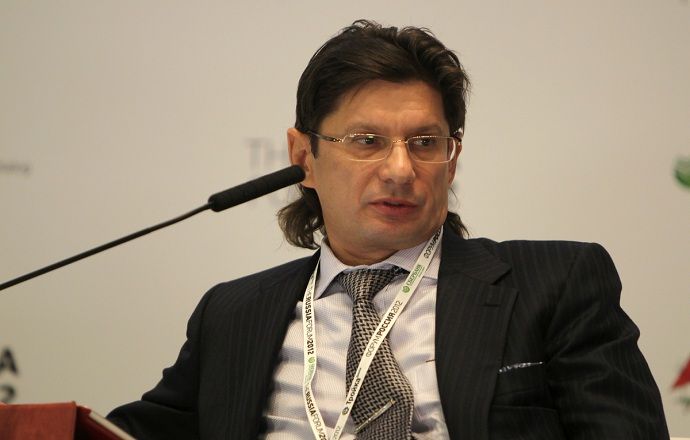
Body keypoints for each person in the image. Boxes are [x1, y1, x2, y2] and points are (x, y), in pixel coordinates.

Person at [108, 20, 669, 439]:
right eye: (367, 141)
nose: (400, 169)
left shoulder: (554, 283)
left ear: (452, 160)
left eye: (424, 143)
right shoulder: (232, 315)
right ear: (303, 157)